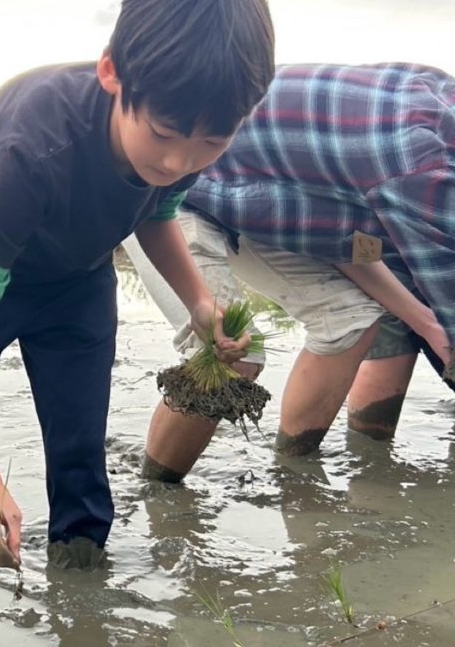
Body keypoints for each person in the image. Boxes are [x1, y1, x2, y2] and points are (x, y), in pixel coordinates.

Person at [0, 0, 276, 569]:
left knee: (80, 452)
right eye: (162, 134)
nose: (178, 161)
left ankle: (82, 597)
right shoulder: (33, 146)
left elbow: (154, 213)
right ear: (112, 71)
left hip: (78, 282)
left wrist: (200, 303)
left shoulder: (187, 138)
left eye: (210, 144)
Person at [134, 63, 454, 483]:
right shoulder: (416, 161)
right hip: (163, 194)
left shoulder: (434, 104)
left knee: (350, 322)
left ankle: (293, 476)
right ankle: (159, 491)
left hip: (253, 201)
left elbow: (346, 244)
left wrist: (428, 325)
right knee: (234, 348)